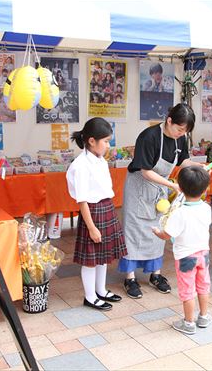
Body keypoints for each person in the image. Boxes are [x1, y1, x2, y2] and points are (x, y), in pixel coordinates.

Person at [119, 104, 203, 299]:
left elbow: (183, 162)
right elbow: (146, 171)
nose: (182, 134)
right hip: (139, 188)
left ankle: (155, 275)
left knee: (159, 230)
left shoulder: (179, 138)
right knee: (134, 232)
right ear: (169, 121)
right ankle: (130, 278)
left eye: (185, 131)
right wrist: (172, 185)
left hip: (159, 189)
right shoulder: (149, 137)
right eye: (179, 129)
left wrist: (199, 165)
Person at [66, 117, 127, 311]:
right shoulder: (81, 165)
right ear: (92, 141)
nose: (109, 145)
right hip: (92, 212)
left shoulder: (99, 159)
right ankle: (90, 296)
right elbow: (82, 200)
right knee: (91, 260)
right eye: (106, 141)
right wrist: (91, 227)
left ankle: (101, 290)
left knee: (103, 255)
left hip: (105, 207)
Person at [151, 166, 212, 335]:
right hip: (203, 254)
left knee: (187, 290)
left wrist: (157, 232)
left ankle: (188, 323)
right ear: (205, 188)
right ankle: (204, 316)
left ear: (181, 188)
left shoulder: (180, 213)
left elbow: (167, 234)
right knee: (203, 285)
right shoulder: (206, 208)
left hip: (186, 257)